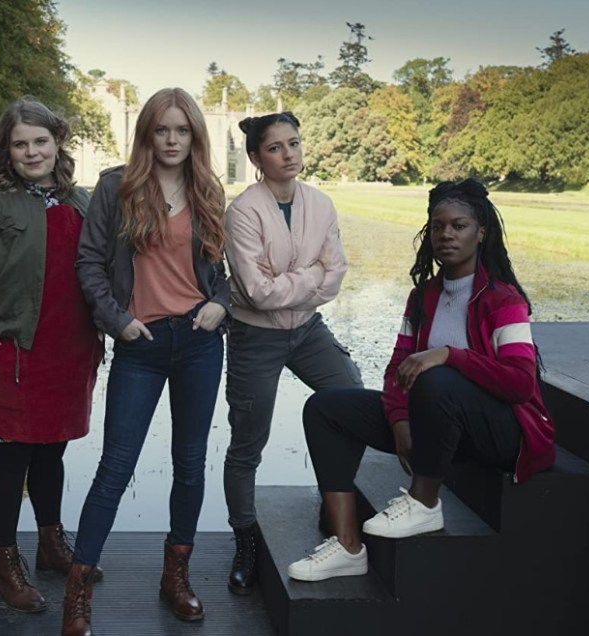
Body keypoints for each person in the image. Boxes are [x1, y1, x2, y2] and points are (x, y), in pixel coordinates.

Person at [287, 179, 556, 582]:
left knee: (436, 378)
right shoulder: (423, 296)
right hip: (437, 423)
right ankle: (346, 546)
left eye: (459, 226)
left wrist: (449, 355)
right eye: (438, 226)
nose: (447, 234)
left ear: (481, 232)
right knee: (327, 409)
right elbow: (398, 367)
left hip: (501, 433)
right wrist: (399, 420)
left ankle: (424, 502)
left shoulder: (504, 301)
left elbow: (520, 383)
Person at [62, 87, 229, 635]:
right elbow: (89, 264)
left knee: (189, 462)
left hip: (200, 344)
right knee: (115, 467)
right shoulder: (117, 186)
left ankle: (175, 576)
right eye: (163, 130)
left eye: (182, 131)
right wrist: (118, 321)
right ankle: (78, 589)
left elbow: (221, 274)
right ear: (147, 134)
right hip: (141, 343)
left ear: (194, 136)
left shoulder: (208, 187)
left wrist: (217, 307)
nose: (173, 140)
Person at [0, 98, 103, 613]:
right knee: (10, 460)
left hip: (70, 354)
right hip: (13, 354)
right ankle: (5, 564)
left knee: (52, 451)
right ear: (7, 151)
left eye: (41, 140)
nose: (32, 151)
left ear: (57, 142)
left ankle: (51, 543)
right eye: (21, 143)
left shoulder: (83, 203)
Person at [222, 112, 363, 595]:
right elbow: (258, 294)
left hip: (307, 330)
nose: (289, 154)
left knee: (353, 398)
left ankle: (334, 506)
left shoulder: (321, 205)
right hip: (253, 336)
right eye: (276, 147)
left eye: (294, 143)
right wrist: (309, 275)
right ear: (257, 157)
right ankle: (246, 542)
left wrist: (296, 282)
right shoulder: (242, 211)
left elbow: (337, 274)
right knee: (248, 443)